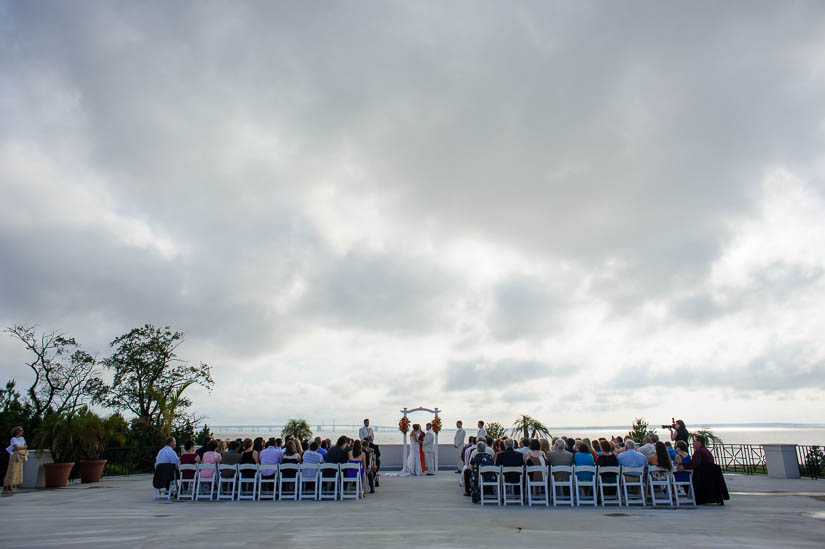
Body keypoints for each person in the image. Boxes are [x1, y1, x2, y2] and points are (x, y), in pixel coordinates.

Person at [3, 426, 28, 494]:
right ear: (17, 432)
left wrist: (20, 447)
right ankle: (6, 486)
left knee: (17, 472)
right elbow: (16, 447)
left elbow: (26, 446)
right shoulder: (13, 439)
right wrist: (21, 447)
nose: (22, 431)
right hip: (14, 456)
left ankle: (10, 486)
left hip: (20, 455)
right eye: (21, 430)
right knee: (11, 471)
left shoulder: (22, 438)